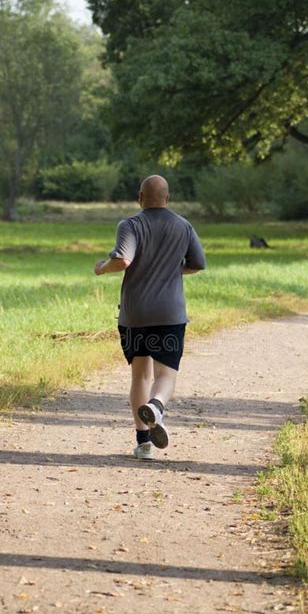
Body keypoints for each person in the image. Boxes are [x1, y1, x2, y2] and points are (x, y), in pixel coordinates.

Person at [94, 175, 206, 460]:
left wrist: (101, 268)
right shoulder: (183, 225)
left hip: (135, 314)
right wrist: (171, 270)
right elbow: (198, 264)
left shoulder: (130, 224)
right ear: (167, 199)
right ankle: (157, 406)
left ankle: (144, 443)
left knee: (139, 375)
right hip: (170, 314)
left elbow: (122, 260)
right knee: (166, 373)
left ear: (140, 197)